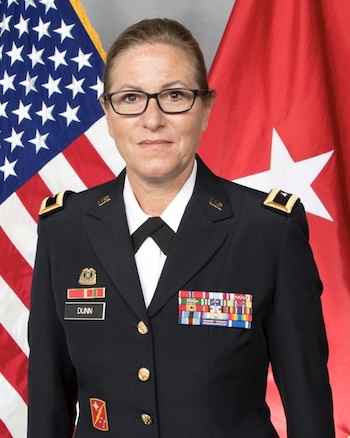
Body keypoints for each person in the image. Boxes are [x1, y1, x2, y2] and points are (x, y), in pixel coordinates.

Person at [27, 18, 335, 438]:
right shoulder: (64, 230)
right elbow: (48, 404)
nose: (152, 120)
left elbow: (307, 405)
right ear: (108, 113)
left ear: (205, 108)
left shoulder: (266, 231)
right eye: (131, 98)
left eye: (174, 96)